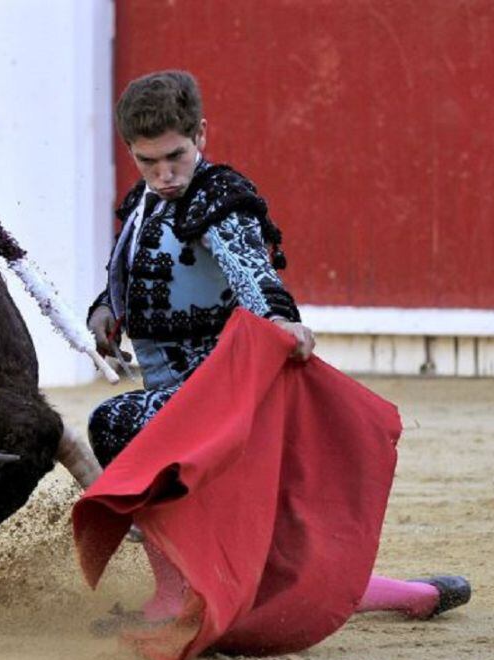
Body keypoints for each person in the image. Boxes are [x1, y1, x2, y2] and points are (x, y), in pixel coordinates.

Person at [84, 70, 469, 626]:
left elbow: (250, 269)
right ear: (131, 153)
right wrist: (105, 311)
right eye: (148, 162)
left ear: (202, 136)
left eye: (176, 156)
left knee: (119, 425)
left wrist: (280, 321)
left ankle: (169, 599)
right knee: (274, 558)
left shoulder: (219, 197)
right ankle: (412, 596)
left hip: (222, 395)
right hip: (175, 395)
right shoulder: (142, 202)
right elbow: (132, 270)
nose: (164, 175)